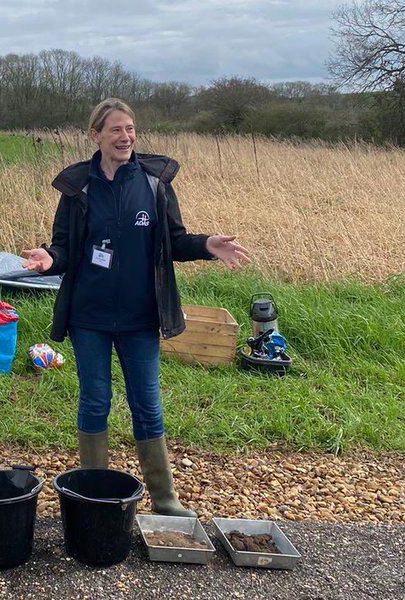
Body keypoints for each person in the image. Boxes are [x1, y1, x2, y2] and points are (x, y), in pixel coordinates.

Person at [23, 97, 251, 516]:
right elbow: (64, 247)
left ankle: (165, 500)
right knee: (95, 400)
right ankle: (94, 494)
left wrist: (206, 245)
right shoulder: (78, 188)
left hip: (139, 317)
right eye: (115, 129)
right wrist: (48, 259)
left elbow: (174, 242)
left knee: (146, 402)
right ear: (96, 136)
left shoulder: (154, 184)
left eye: (130, 129)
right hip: (88, 317)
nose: (125, 136)